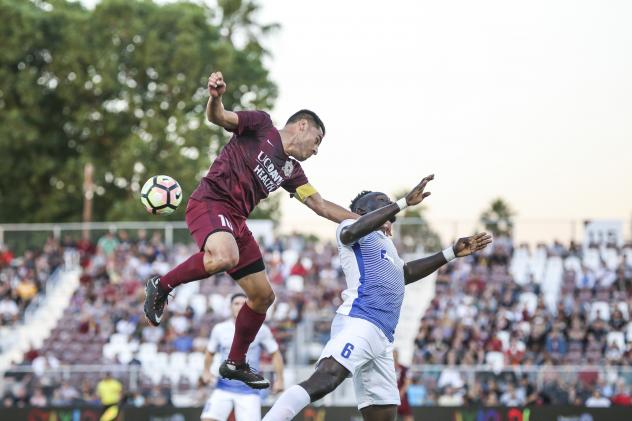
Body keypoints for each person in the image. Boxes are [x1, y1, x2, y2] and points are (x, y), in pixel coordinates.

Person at [144, 71, 357, 388]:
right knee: (225, 256)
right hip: (211, 202)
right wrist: (215, 97)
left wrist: (373, 220)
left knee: (263, 296)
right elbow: (219, 118)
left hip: (236, 222)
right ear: (302, 126)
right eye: (317, 141)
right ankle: (161, 285)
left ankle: (235, 361)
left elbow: (321, 206)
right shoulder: (261, 125)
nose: (316, 150)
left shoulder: (292, 171)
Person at [262, 175, 492, 421]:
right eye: (384, 207)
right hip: (361, 320)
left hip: (382, 336)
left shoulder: (387, 245)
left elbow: (405, 273)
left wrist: (450, 253)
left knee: (384, 414)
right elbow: (353, 231)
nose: (390, 215)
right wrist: (402, 203)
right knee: (326, 378)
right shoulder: (350, 228)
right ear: (362, 212)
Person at [200, 293, 285, 421]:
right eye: (236, 303)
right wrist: (206, 371)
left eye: (243, 304)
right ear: (230, 307)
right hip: (223, 387)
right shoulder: (219, 329)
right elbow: (209, 352)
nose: (239, 306)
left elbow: (275, 353)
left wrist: (280, 379)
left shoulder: (261, 329)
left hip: (249, 391)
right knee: (208, 419)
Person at [393, 350, 413, 421]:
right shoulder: (387, 368)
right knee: (390, 414)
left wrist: (401, 392)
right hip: (391, 395)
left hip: (402, 396)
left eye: (395, 355)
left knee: (407, 415)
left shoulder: (403, 368)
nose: (394, 357)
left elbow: (407, 381)